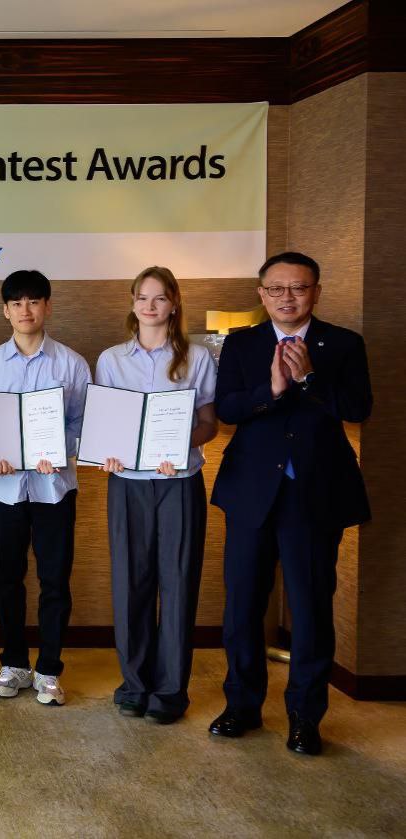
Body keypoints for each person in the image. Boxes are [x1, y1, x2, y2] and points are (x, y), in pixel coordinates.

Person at [208, 251, 371, 756]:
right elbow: (229, 410)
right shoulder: (241, 343)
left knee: (310, 609)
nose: (287, 297)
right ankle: (242, 705)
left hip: (313, 495)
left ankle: (305, 717)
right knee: (242, 608)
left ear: (315, 292)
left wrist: (310, 382)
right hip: (252, 493)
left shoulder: (343, 344)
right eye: (276, 289)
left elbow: (359, 408)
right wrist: (273, 389)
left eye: (298, 288)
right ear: (261, 295)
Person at [94, 267, 217, 724]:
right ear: (132, 303)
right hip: (127, 484)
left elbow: (210, 421)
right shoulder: (111, 359)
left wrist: (185, 443)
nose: (150, 306)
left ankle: (170, 692)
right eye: (143, 298)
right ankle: (134, 684)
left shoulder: (198, 358)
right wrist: (106, 451)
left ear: (174, 304)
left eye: (160, 298)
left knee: (178, 582)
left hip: (178, 482)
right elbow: (106, 420)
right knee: (131, 583)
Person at [0, 269, 90, 706]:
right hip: (3, 488)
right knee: (7, 577)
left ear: (48, 307)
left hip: (54, 486)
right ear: (5, 310)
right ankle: (14, 664)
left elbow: (80, 423)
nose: (25, 310)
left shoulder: (72, 364)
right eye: (16, 303)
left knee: (55, 580)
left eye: (34, 301)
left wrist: (60, 449)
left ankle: (50, 669)